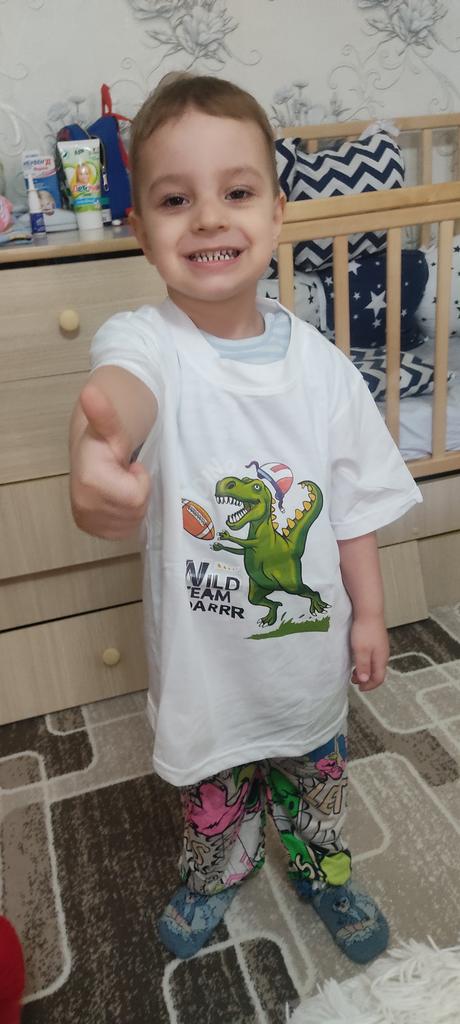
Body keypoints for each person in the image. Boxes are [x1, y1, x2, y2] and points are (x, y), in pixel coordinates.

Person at [69, 74, 422, 964]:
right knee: (212, 788)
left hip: (303, 660)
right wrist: (99, 447)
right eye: (175, 200)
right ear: (140, 229)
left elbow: (350, 508)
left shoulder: (325, 369)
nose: (208, 218)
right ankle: (217, 871)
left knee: (316, 780)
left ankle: (321, 868)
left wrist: (372, 614)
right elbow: (121, 391)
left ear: (276, 212)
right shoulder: (148, 341)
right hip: (206, 666)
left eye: (236, 192)